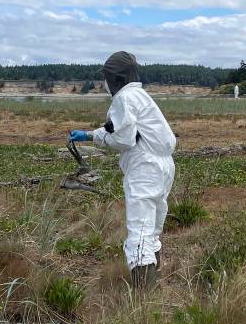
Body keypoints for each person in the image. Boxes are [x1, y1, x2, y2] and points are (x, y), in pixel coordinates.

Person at [70, 52, 176, 289]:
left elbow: (124, 138)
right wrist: (89, 135)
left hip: (145, 169)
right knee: (151, 231)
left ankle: (144, 302)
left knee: (139, 234)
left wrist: (101, 138)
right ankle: (154, 288)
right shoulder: (139, 95)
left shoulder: (124, 98)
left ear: (113, 77)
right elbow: (123, 129)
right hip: (163, 167)